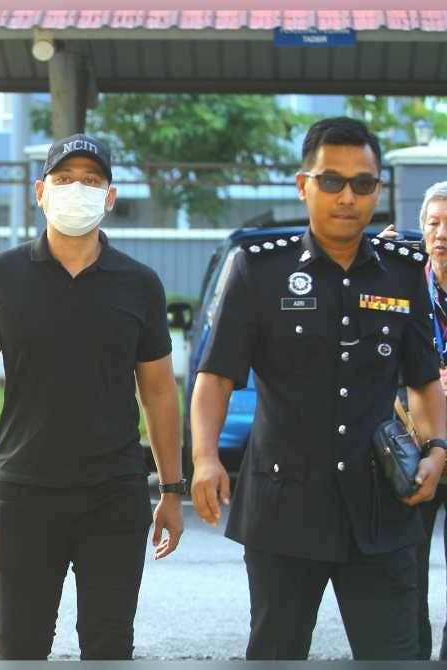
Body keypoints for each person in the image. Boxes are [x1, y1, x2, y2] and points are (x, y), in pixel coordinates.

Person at [190, 116, 447, 660]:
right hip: (285, 509)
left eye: (363, 183)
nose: (348, 196)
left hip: (380, 507)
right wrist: (205, 457)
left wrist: (437, 448)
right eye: (332, 181)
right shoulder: (259, 270)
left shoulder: (404, 273)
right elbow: (214, 377)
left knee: (394, 656)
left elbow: (424, 380)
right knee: (277, 652)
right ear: (304, 184)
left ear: (377, 190)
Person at [0, 133, 186, 660]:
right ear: (40, 192)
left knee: (108, 645)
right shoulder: (1, 274)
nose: (76, 190)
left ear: (109, 196)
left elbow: (157, 391)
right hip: (24, 492)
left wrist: (172, 490)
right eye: (63, 180)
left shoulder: (139, 283)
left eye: (90, 180)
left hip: (115, 493)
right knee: (19, 644)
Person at [380, 180, 447, 660]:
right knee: (408, 570)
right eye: (433, 223)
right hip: (416, 444)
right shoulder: (402, 279)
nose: (441, 234)